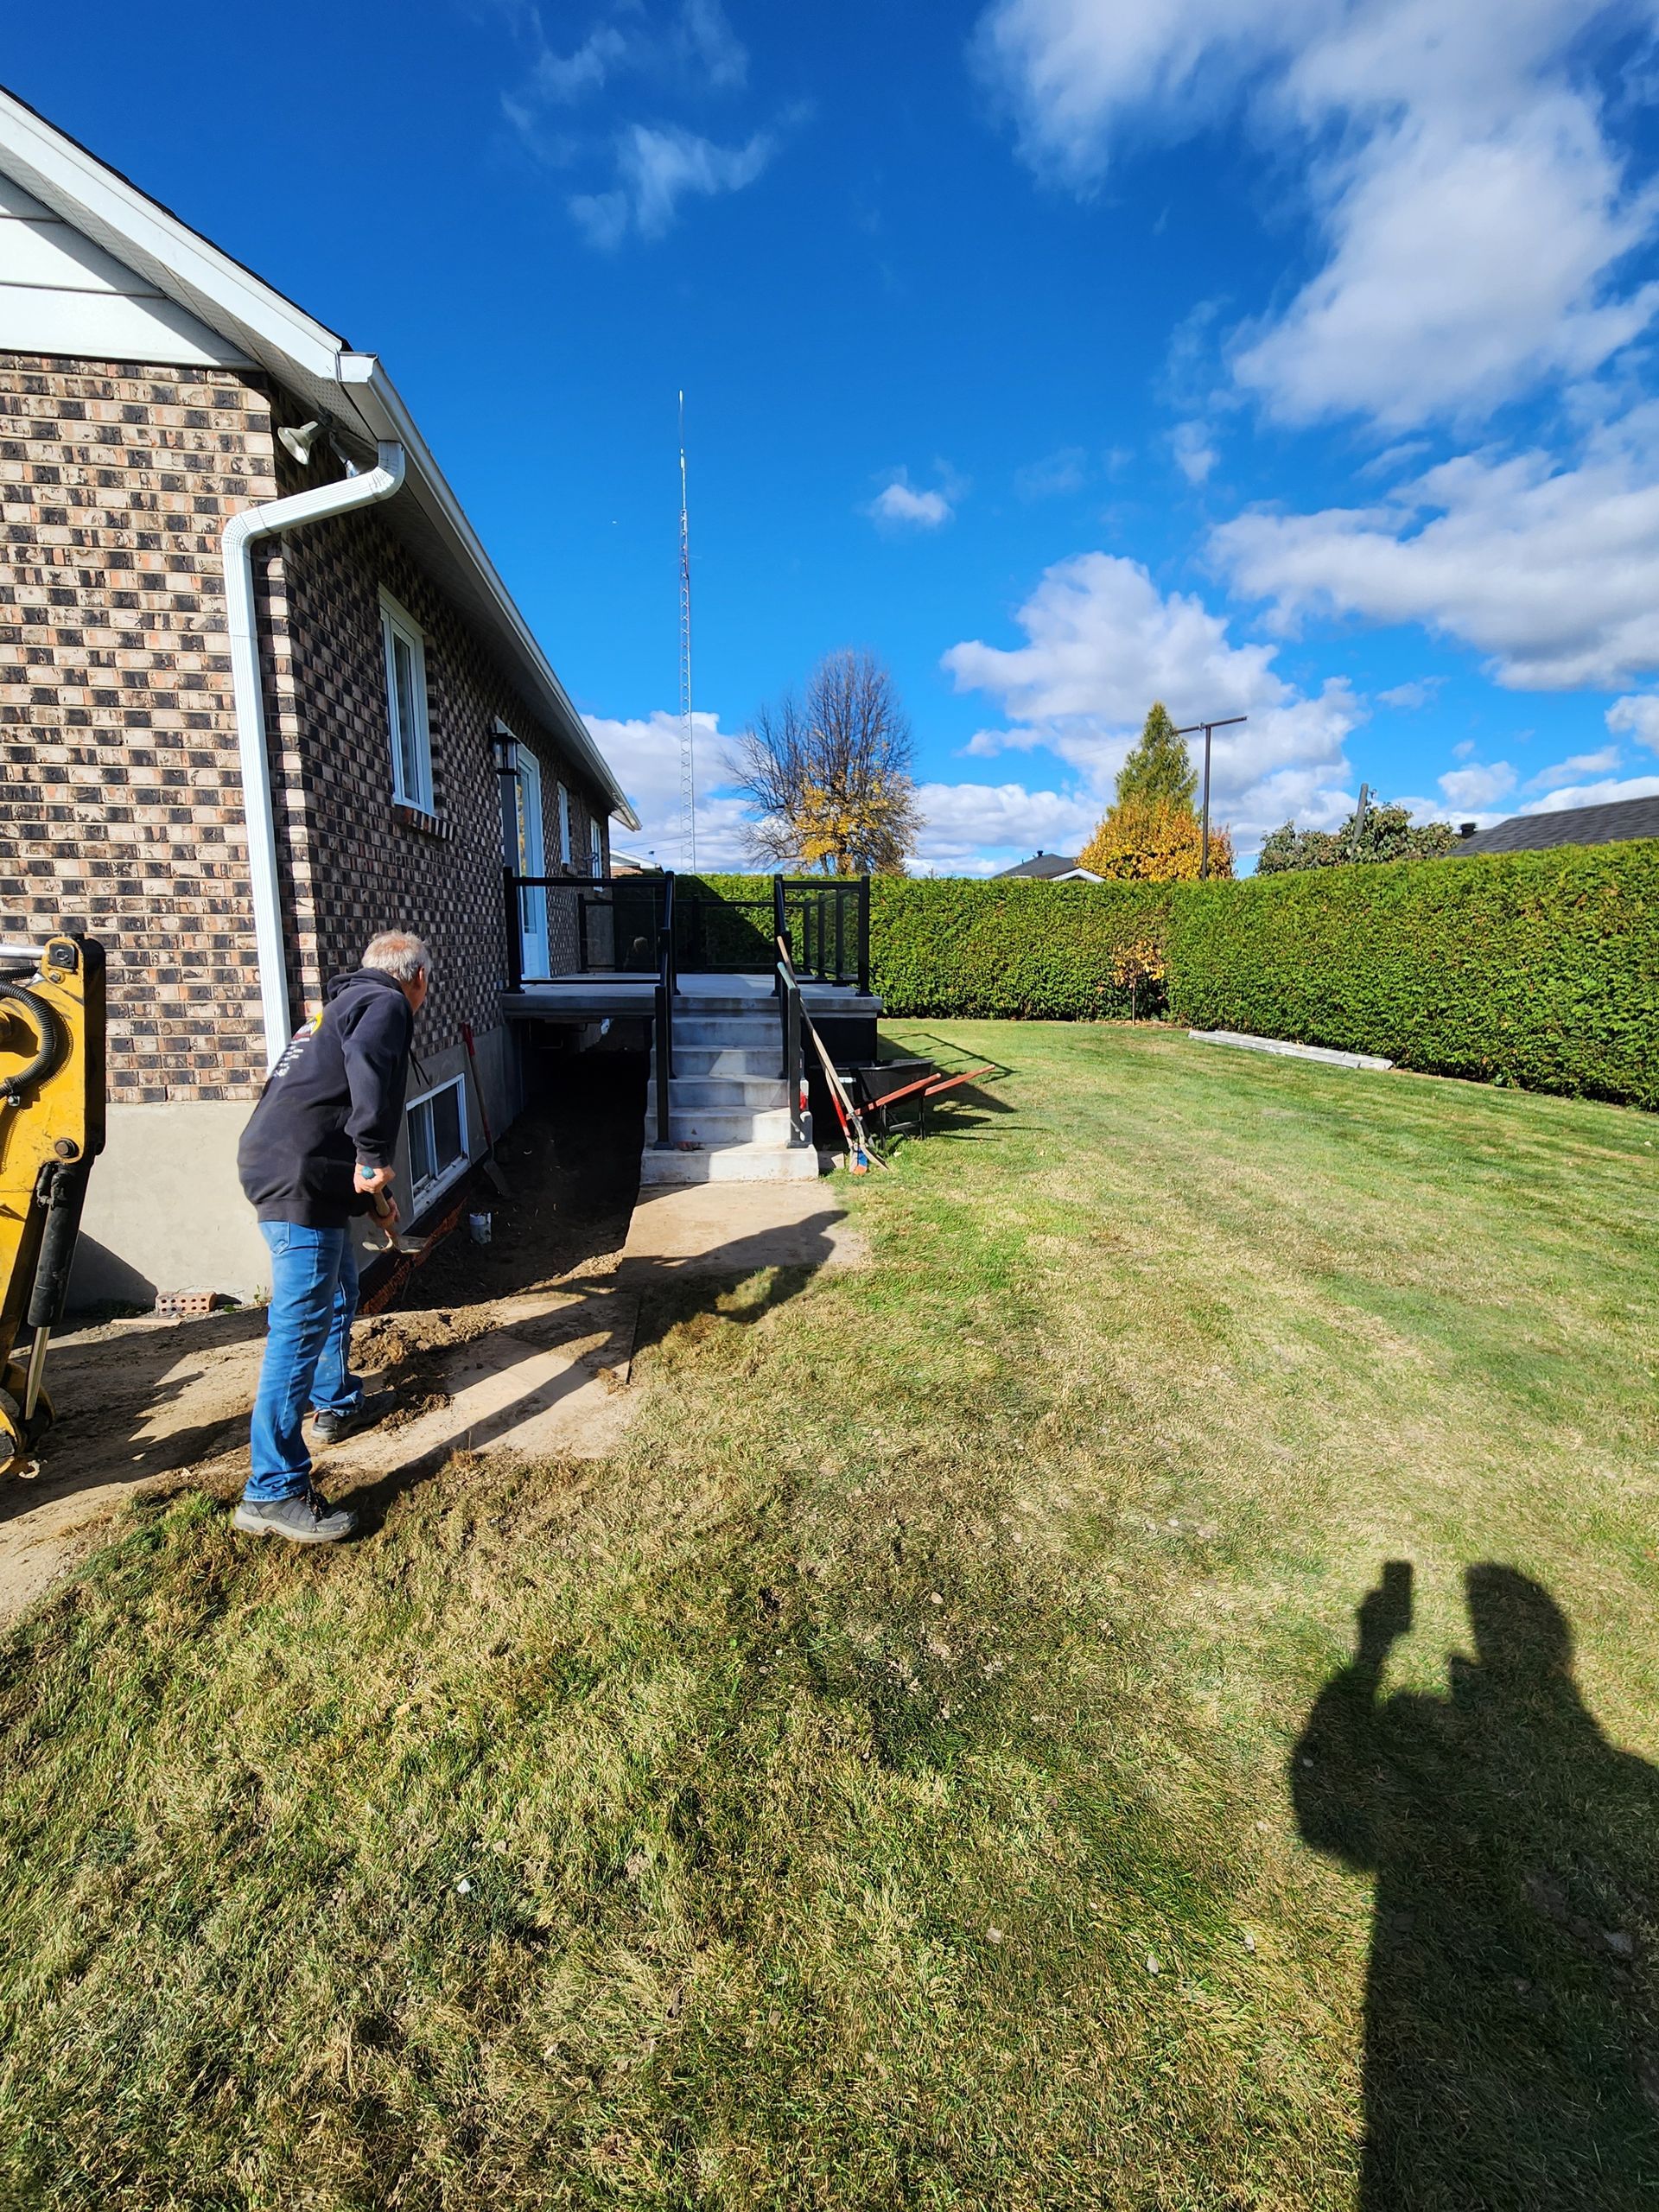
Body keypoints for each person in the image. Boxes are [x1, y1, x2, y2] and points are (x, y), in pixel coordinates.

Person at [231, 930, 430, 1543]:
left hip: (291, 1163)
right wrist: (372, 1154)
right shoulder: (388, 1004)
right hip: (299, 1179)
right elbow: (369, 1069)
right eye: (429, 982)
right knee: (298, 1327)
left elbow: (322, 1106)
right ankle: (273, 1488)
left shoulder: (334, 1008)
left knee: (340, 1285)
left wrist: (371, 1195)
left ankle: (338, 1403)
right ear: (415, 976)